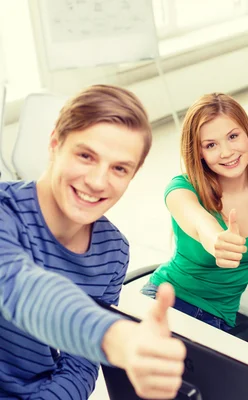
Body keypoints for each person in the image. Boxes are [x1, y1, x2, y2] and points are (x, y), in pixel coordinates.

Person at [0, 84, 186, 399]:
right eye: (86, 156)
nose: (98, 182)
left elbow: (81, 365)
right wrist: (119, 339)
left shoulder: (113, 251)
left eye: (119, 168)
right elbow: (22, 288)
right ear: (55, 143)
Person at [141, 93, 248, 331]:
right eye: (211, 145)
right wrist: (216, 241)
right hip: (164, 300)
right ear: (199, 152)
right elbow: (200, 223)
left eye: (233, 136)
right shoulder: (181, 188)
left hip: (219, 320)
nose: (226, 152)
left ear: (247, 133)